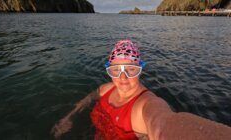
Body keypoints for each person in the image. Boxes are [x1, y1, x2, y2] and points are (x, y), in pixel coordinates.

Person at [51, 40, 231, 140]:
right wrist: (69, 117)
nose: (122, 78)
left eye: (131, 69)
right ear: (109, 70)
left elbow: (162, 123)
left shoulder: (145, 105)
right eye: (116, 70)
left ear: (140, 69)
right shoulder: (106, 89)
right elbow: (88, 99)